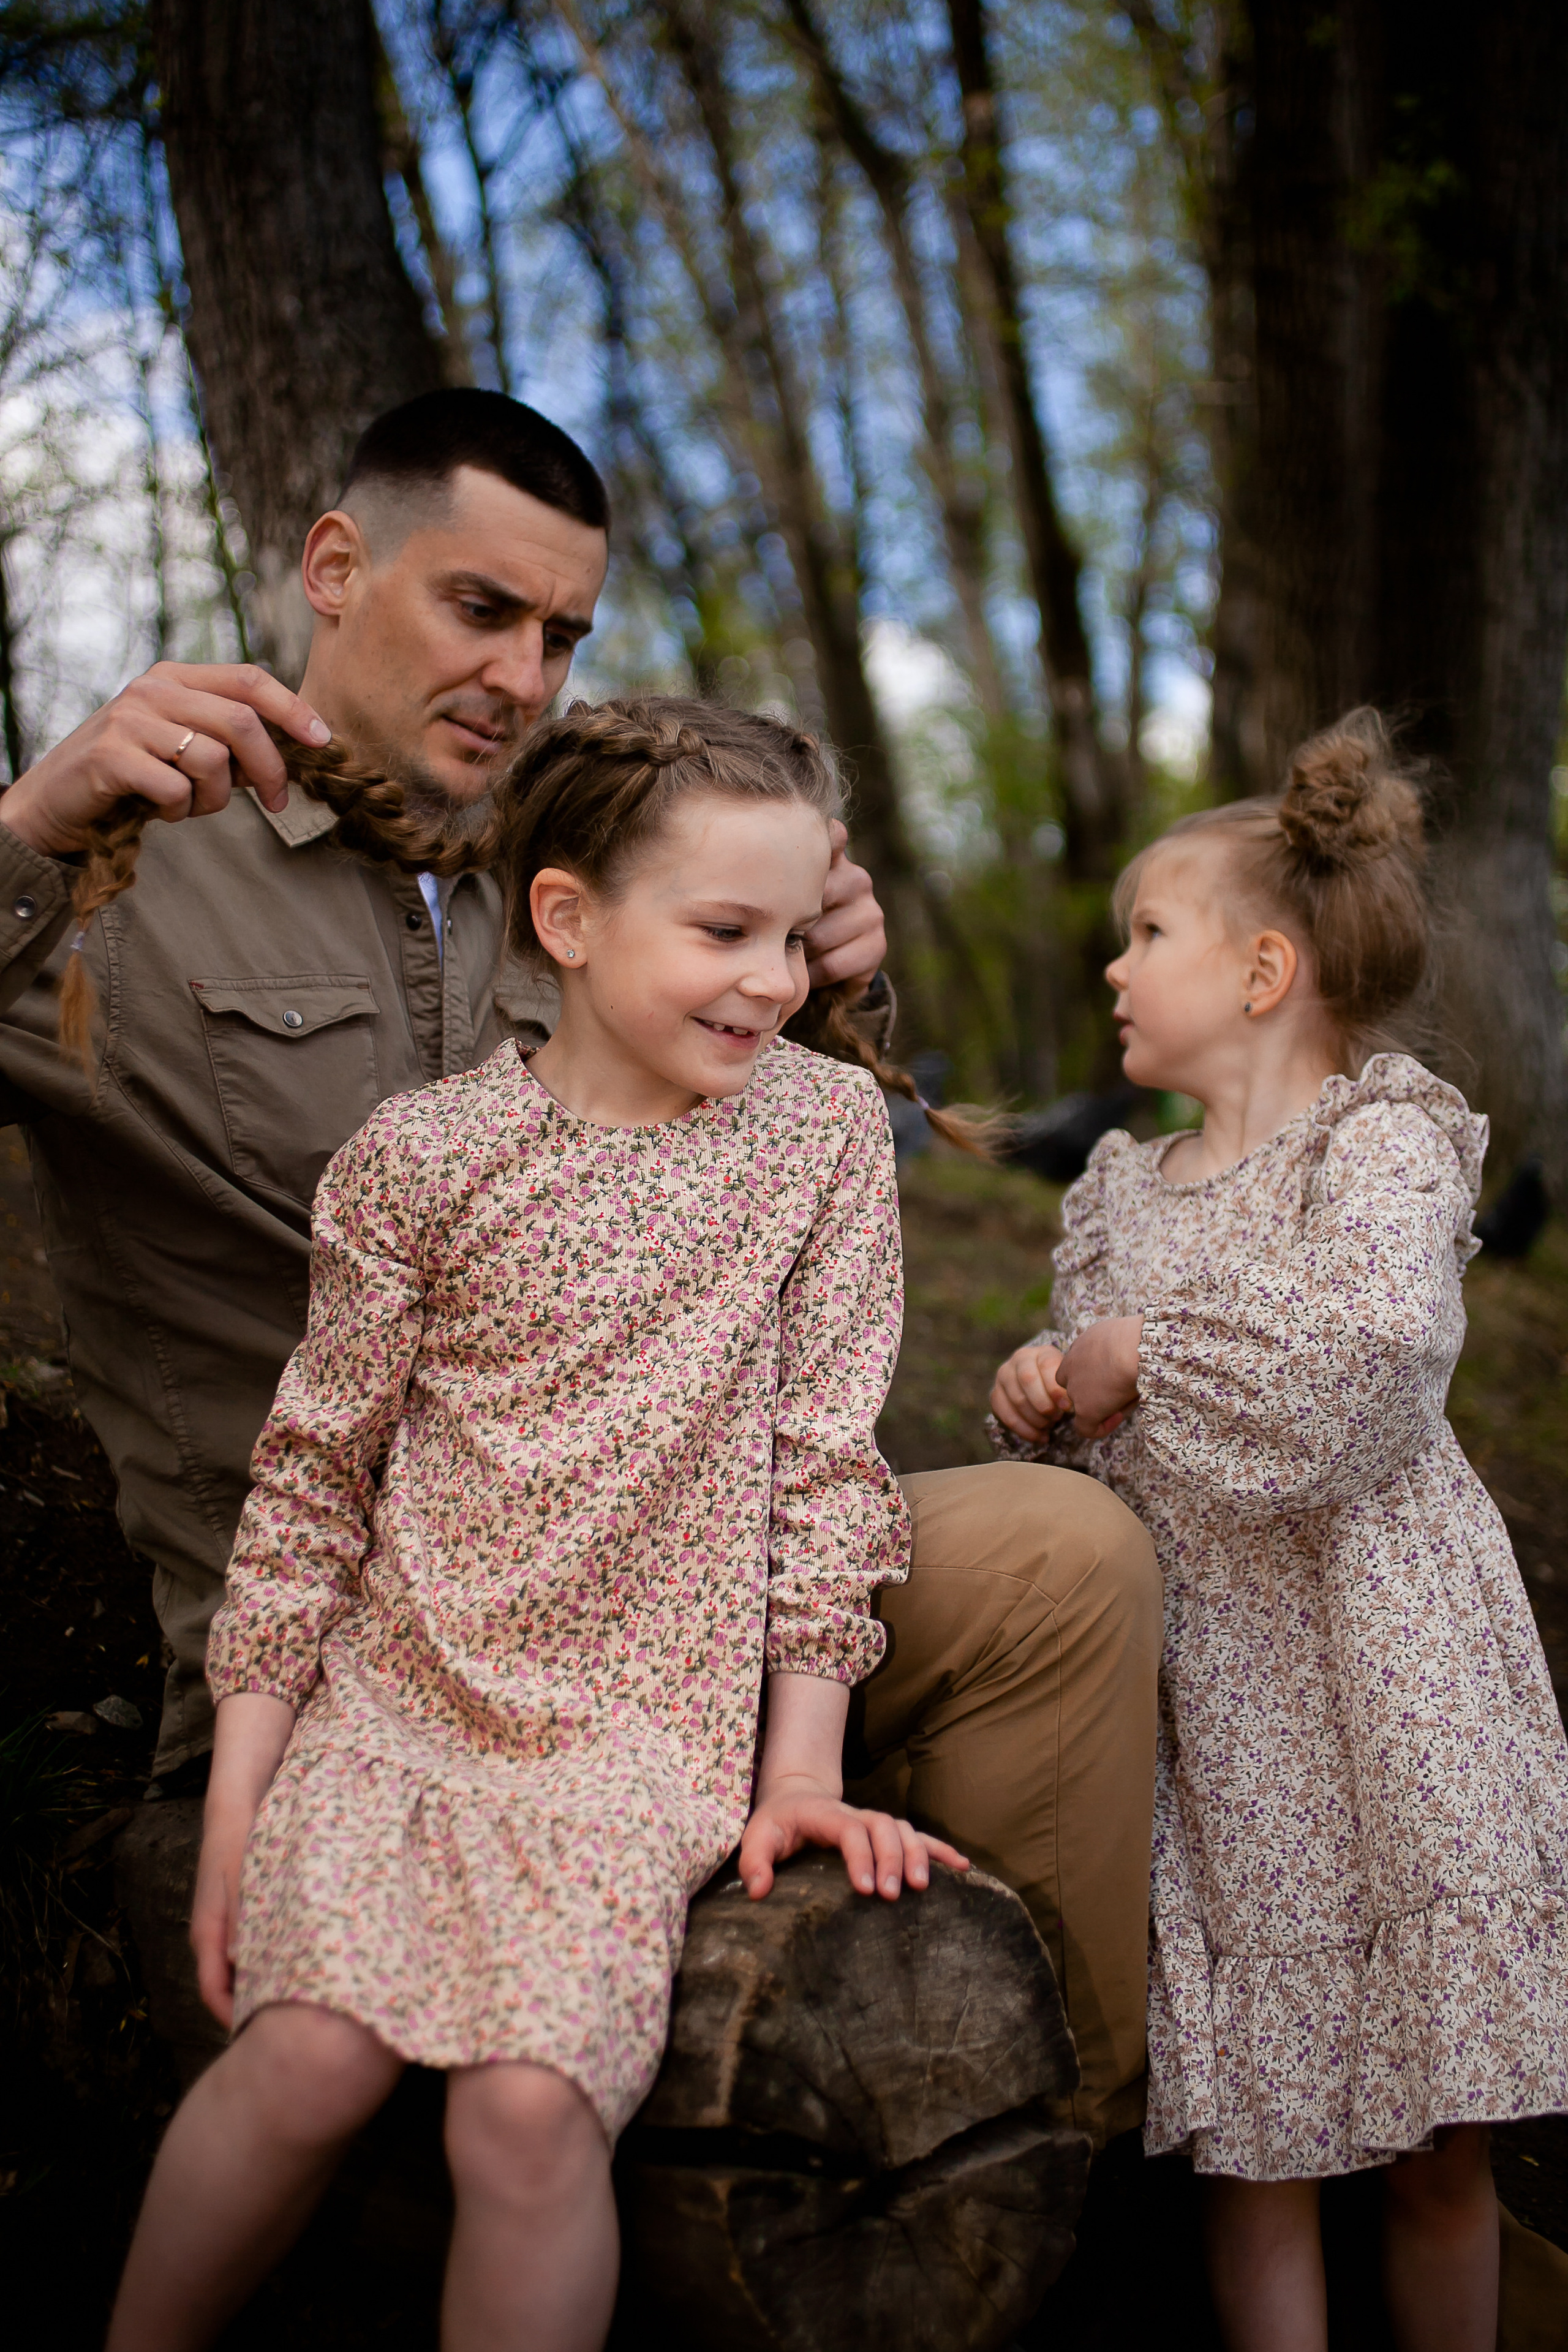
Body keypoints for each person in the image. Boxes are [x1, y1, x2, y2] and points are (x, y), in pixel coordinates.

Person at [0, 386, 1157, 2148]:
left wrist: (825, 984)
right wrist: (24, 832)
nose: (528, 676)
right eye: (483, 610)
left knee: (1066, 1551)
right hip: (361, 1655)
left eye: (564, 635)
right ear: (335, 566)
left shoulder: (599, 867)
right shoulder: (135, 866)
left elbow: (782, 1238)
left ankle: (1051, 2145)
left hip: (664, 1609)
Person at [106, 696, 967, 2351]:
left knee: (519, 2110)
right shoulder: (422, 1160)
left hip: (639, 1735)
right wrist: (240, 1802)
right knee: (300, 2057)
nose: (777, 982)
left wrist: (800, 1773)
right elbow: (307, 1491)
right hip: (398, 1705)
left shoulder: (822, 1136)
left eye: (795, 937)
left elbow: (823, 1469)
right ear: (568, 921)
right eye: (725, 931)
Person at [989, 709, 1568, 2351]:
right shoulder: (1114, 1190)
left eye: (1146, 936)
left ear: (1260, 975)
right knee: (1259, 2150)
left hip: (1384, 1688)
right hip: (1217, 1716)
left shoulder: (1378, 1142)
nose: (1114, 970)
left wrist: (1142, 1363)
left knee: (1435, 2151)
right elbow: (1101, 1442)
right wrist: (1046, 1389)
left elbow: (1370, 1370)